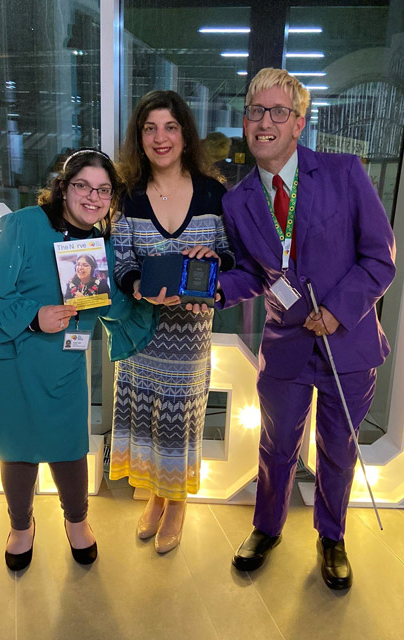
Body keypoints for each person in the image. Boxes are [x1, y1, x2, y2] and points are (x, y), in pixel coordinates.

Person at [217, 68, 395, 589]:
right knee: (275, 446)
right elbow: (254, 272)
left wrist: (338, 310)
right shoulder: (238, 200)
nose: (263, 123)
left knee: (337, 447)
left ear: (299, 122)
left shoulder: (344, 172)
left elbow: (379, 259)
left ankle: (331, 537)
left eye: (277, 112)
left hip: (349, 342)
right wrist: (215, 286)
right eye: (255, 112)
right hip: (286, 345)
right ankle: (266, 527)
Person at [0, 148, 156, 571]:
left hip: (64, 362)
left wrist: (146, 296)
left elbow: (107, 304)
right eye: (83, 185)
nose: (92, 197)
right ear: (63, 187)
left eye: (103, 190)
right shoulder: (20, 225)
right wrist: (32, 317)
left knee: (68, 445)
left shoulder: (97, 244)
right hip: (13, 358)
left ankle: (77, 521)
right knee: (18, 449)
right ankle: (20, 526)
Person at [109, 90, 235, 553]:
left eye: (170, 127)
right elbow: (122, 260)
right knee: (148, 421)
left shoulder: (212, 192)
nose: (160, 138)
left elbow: (233, 256)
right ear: (139, 138)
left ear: (185, 134)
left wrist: (214, 258)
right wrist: (137, 286)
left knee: (180, 422)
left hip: (190, 337)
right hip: (142, 334)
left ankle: (176, 501)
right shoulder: (128, 195)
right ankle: (157, 498)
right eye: (149, 129)